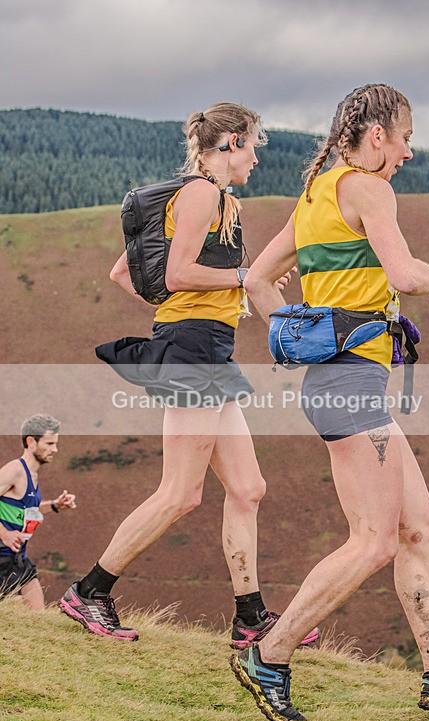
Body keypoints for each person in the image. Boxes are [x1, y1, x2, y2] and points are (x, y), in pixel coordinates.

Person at [230, 84, 429, 721]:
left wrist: (303, 334)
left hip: (342, 385)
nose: (409, 153)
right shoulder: (367, 187)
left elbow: (254, 280)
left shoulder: (315, 196)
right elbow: (406, 275)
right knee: (373, 541)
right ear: (378, 135)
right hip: (352, 390)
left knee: (422, 525)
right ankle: (268, 655)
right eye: (407, 138)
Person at [59, 101, 319, 647]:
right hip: (195, 350)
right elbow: (176, 273)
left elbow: (122, 272)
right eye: (252, 145)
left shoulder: (221, 202)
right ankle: (88, 592)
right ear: (228, 143)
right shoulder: (204, 193)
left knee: (248, 488)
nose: (255, 158)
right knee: (180, 492)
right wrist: (236, 280)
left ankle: (249, 617)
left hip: (208, 348)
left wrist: (184, 310)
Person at [0, 414, 76, 610]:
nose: (55, 449)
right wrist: (5, 533)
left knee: (38, 615)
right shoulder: (15, 470)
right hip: (2, 556)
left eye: (55, 443)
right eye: (49, 443)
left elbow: (26, 510)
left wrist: (55, 505)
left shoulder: (31, 474)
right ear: (31, 441)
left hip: (17, 557)